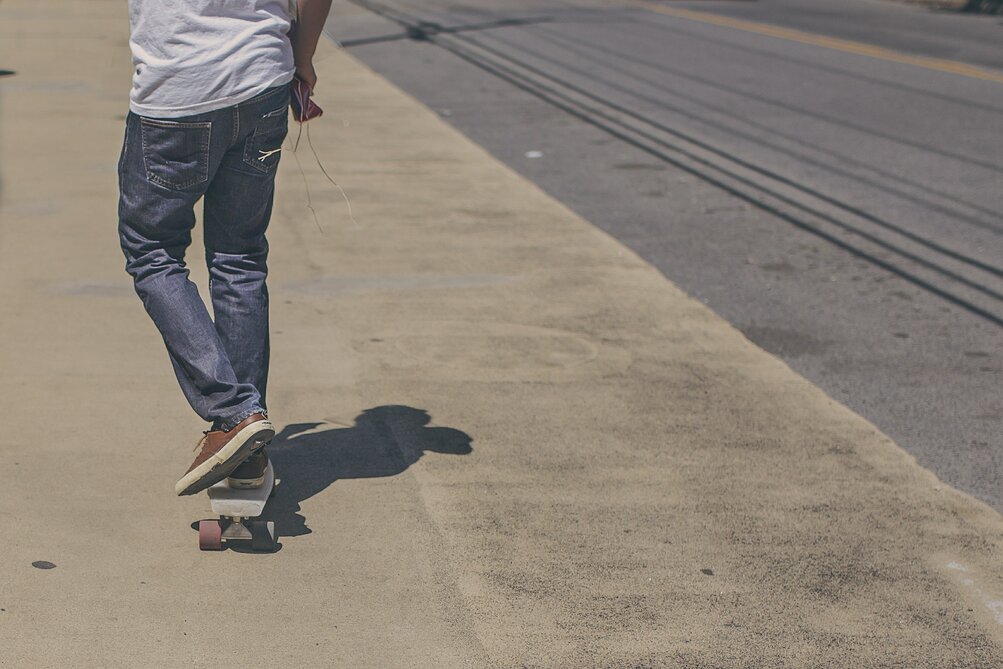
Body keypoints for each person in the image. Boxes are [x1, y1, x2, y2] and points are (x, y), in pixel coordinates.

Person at [118, 0, 333, 496]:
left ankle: (233, 413)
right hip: (262, 79)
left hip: (178, 91)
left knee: (153, 252)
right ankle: (246, 450)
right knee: (239, 258)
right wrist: (302, 58)